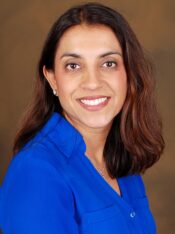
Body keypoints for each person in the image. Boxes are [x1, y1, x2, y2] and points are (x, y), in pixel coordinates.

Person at [0, 2, 165, 234]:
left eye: (108, 63)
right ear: (52, 79)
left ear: (129, 73)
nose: (93, 82)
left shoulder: (124, 161)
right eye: (74, 66)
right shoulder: (36, 174)